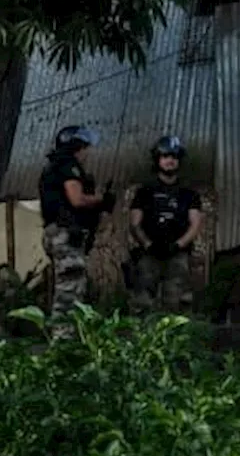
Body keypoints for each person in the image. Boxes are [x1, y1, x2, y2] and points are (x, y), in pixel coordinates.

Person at [38, 125, 114, 333]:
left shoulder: (54, 166)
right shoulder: (67, 165)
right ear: (76, 147)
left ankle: (68, 337)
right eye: (84, 147)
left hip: (58, 232)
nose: (87, 152)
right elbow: (77, 199)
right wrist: (100, 200)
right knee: (69, 290)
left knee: (72, 286)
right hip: (64, 233)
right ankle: (62, 341)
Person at [130, 136, 204, 313]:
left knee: (177, 306)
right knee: (142, 305)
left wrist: (178, 245)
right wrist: (148, 244)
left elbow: (195, 224)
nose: (170, 160)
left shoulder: (189, 193)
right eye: (165, 156)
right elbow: (134, 223)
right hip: (149, 254)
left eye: (174, 156)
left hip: (178, 255)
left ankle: (176, 340)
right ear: (158, 160)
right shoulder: (145, 191)